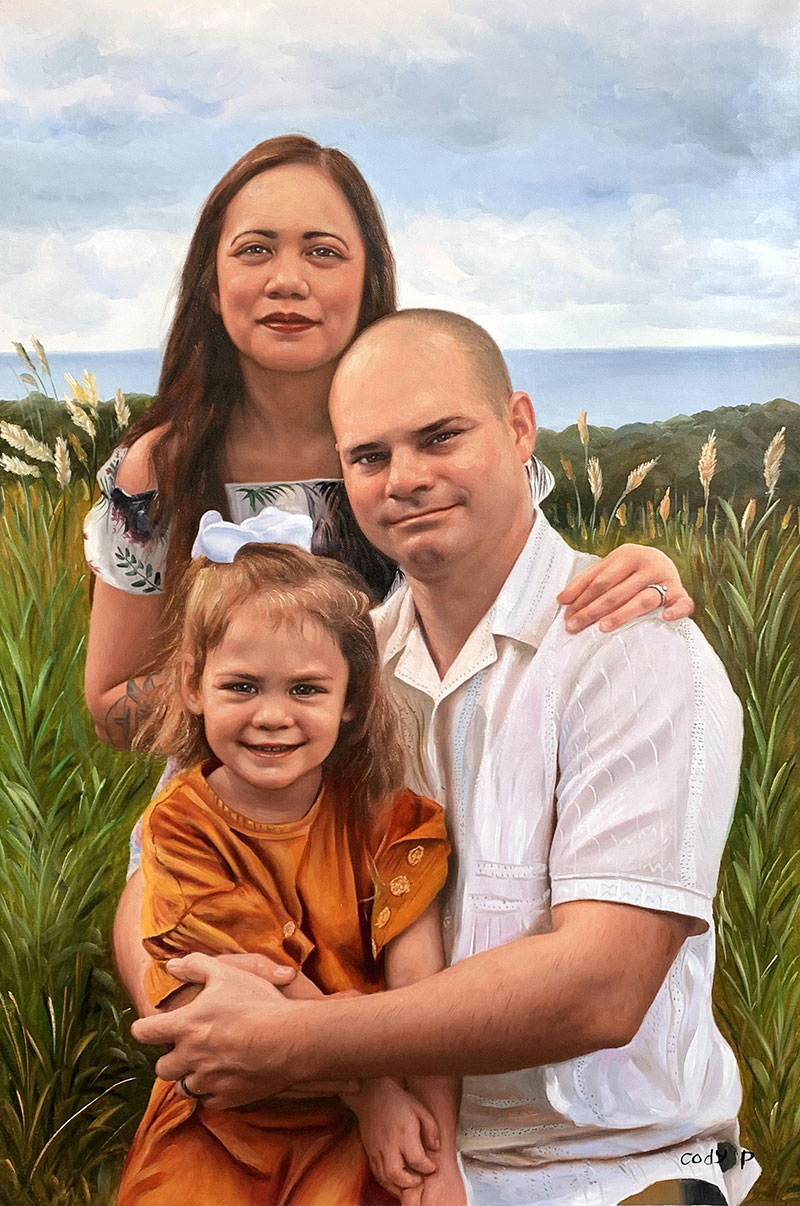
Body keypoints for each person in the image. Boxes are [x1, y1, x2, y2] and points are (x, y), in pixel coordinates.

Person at [132, 310, 760, 1206]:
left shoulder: (628, 645)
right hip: (364, 1143)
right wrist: (202, 1001)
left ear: (517, 427)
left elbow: (601, 988)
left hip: (609, 1165)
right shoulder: (328, 666)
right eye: (370, 456)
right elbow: (152, 872)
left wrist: (294, 1041)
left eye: (440, 437)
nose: (407, 480)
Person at [84, 134, 696, 1018]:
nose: (287, 279)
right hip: (227, 814)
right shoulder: (165, 469)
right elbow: (109, 700)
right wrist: (256, 699)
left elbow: (527, 576)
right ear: (209, 279)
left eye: (323, 251)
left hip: (401, 798)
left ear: (370, 277)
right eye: (254, 249)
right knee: (218, 1053)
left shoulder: (422, 442)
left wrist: (648, 570)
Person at [116, 511, 465, 1206]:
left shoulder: (387, 819)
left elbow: (422, 994)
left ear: (353, 699)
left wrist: (439, 1152)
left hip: (358, 1124)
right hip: (227, 1114)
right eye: (242, 687)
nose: (272, 715)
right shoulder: (182, 826)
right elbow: (251, 996)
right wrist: (372, 1094)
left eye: (305, 689)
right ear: (193, 685)